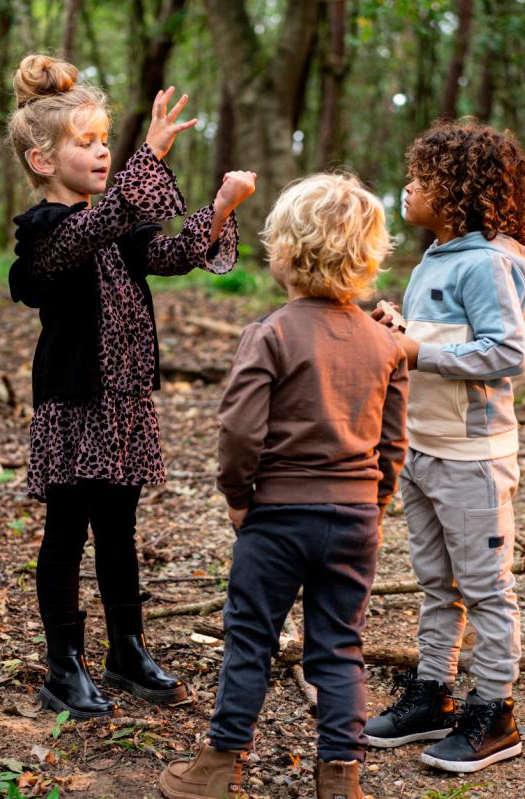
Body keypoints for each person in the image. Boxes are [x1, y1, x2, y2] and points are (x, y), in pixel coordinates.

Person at [7, 54, 256, 719]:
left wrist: (220, 207)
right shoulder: (48, 232)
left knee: (119, 526)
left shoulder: (115, 226)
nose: (99, 152)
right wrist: (149, 155)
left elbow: (168, 253)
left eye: (103, 142)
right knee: (66, 529)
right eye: (82, 143)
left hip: (124, 403)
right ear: (41, 160)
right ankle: (64, 663)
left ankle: (126, 648)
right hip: (74, 402)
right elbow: (93, 228)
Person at [159, 173, 408, 799]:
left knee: (250, 637)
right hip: (354, 521)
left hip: (275, 517)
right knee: (340, 647)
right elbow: (393, 440)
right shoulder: (387, 343)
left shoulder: (269, 334)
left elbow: (240, 431)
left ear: (286, 254)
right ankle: (341, 778)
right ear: (368, 259)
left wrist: (238, 497)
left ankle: (218, 768)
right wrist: (375, 502)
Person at [367, 120, 525, 774]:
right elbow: (440, 345)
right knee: (437, 582)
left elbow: (505, 352)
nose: (407, 187)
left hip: (472, 457)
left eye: (421, 178)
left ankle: (494, 710)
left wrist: (417, 349)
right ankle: (433, 693)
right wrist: (401, 329)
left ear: (460, 192)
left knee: (485, 587)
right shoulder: (434, 260)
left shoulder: (488, 262)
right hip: (423, 450)